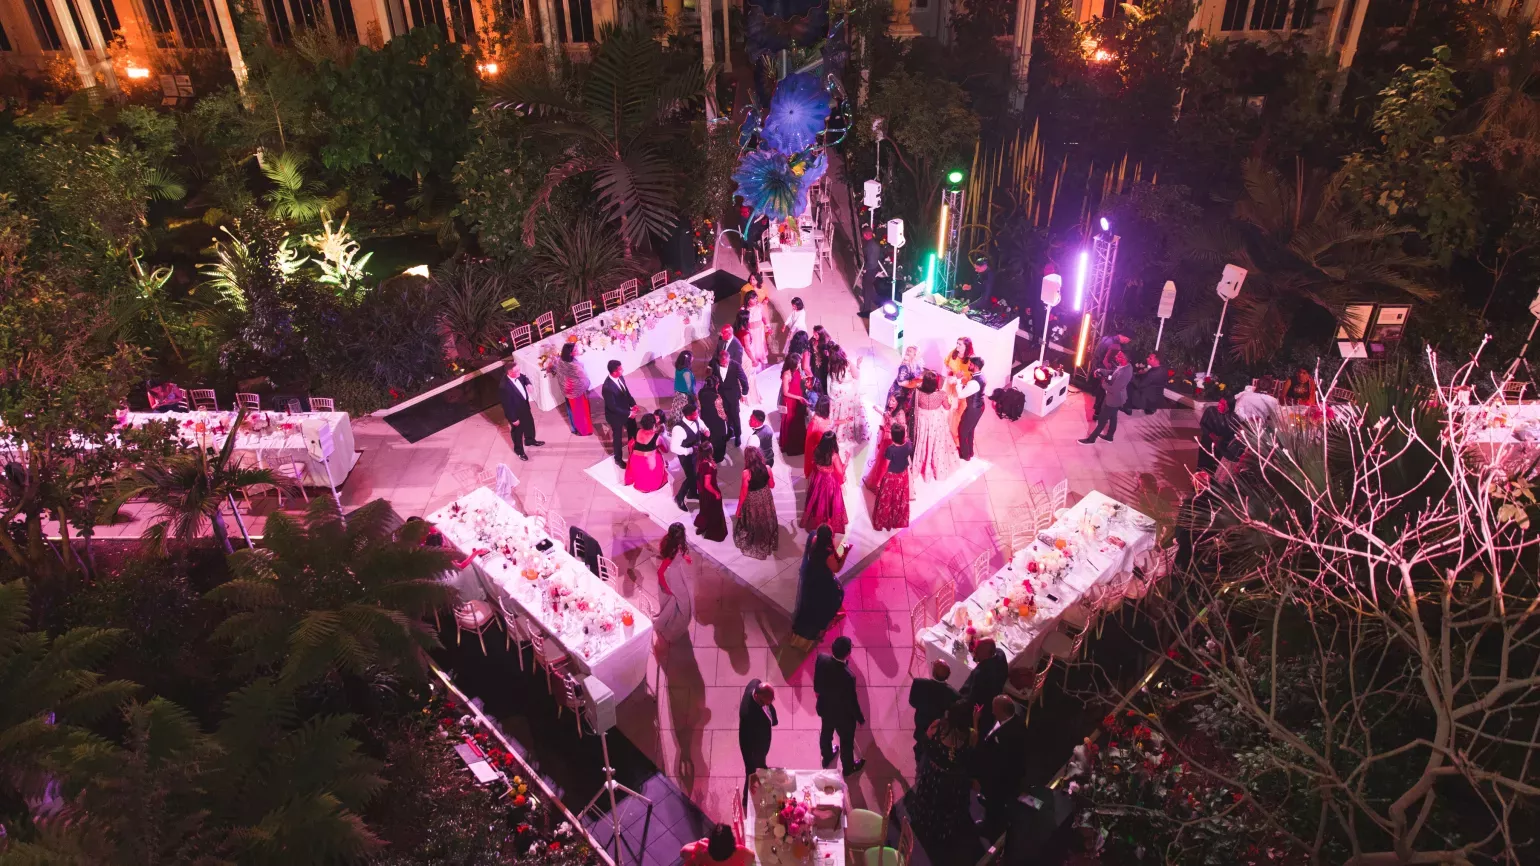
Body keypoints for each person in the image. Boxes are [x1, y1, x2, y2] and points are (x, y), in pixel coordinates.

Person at [909, 701, 979, 858]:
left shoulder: (937, 727)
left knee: (930, 801)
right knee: (949, 806)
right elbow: (971, 756)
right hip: (954, 781)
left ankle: (926, 823)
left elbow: (925, 744)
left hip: (933, 776)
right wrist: (976, 721)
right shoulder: (970, 735)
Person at [974, 694, 1028, 837]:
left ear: (1003, 712)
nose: (992, 712)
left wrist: (985, 782)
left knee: (994, 805)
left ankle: (989, 828)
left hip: (1001, 780)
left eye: (994, 710)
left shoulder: (1005, 737)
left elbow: (997, 764)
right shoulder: (1016, 719)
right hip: (1010, 774)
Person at [814, 636, 866, 774]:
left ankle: (827, 757)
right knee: (846, 742)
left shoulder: (822, 659)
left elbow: (817, 686)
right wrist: (859, 717)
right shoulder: (849, 677)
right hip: (843, 717)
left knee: (826, 732)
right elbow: (852, 700)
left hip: (825, 708)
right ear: (848, 653)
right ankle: (848, 768)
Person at [791, 525, 849, 643]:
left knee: (811, 603)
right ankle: (821, 628)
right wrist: (844, 554)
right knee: (832, 598)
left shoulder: (814, 540)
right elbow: (836, 568)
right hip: (822, 582)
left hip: (811, 576)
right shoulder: (827, 554)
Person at [912, 371, 961, 483]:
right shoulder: (941, 394)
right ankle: (937, 468)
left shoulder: (917, 392)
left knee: (922, 440)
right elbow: (947, 407)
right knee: (936, 442)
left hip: (922, 419)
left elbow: (912, 405)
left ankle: (920, 464)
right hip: (935, 420)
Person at [732, 446, 779, 560]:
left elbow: (743, 493)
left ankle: (756, 536)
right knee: (766, 516)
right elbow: (772, 485)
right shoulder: (767, 468)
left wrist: (738, 509)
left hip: (752, 499)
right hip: (765, 496)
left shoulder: (746, 473)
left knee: (754, 518)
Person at [909, 660, 960, 760]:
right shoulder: (953, 694)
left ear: (933, 672)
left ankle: (920, 758)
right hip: (938, 729)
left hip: (921, 721)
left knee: (920, 744)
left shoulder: (919, 683)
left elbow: (912, 702)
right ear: (948, 675)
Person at [1080, 351, 1132, 444]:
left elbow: (1113, 389)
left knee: (1102, 420)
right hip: (1117, 398)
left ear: (1124, 359)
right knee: (1113, 417)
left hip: (1113, 399)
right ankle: (1109, 436)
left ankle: (1091, 439)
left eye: (1119, 356)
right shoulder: (1126, 366)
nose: (1116, 356)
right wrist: (1101, 370)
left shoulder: (1124, 373)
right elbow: (1113, 373)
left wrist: (1102, 381)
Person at [802, 432, 849, 535]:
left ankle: (817, 522)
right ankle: (829, 523)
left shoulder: (816, 450)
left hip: (818, 479)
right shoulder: (834, 456)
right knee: (831, 502)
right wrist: (847, 461)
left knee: (817, 501)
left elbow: (813, 462)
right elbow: (840, 472)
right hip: (830, 483)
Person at [738, 680, 778, 795]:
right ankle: (746, 798)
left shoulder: (755, 683)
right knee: (750, 772)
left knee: (760, 763)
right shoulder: (748, 714)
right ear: (756, 696)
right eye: (764, 703)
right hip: (750, 746)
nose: (767, 705)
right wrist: (757, 754)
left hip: (759, 741)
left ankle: (762, 766)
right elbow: (749, 740)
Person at [872, 424, 915, 530]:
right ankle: (897, 520)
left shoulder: (891, 449)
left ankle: (884, 522)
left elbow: (885, 467)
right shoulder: (909, 444)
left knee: (886, 500)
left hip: (891, 477)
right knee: (899, 498)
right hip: (903, 476)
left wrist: (878, 481)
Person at [499, 360, 545, 461]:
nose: (520, 372)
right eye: (517, 371)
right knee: (517, 433)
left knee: (529, 424)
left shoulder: (518, 375)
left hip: (524, 406)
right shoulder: (504, 387)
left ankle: (530, 440)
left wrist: (528, 384)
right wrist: (513, 419)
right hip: (516, 413)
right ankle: (519, 451)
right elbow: (507, 405)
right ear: (510, 373)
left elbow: (524, 377)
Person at [548, 343, 593, 436]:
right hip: (577, 391)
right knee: (580, 412)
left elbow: (559, 372)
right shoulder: (574, 366)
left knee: (573, 410)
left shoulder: (561, 361)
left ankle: (576, 428)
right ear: (570, 353)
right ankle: (584, 430)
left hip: (568, 390)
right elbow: (584, 379)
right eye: (575, 350)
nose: (577, 350)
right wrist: (586, 384)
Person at [827, 348, 869, 447]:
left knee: (839, 414)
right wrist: (858, 365)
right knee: (849, 412)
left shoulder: (830, 365)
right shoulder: (848, 364)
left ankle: (838, 434)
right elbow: (857, 376)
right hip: (848, 395)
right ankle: (849, 434)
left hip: (836, 394)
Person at [601, 360, 639, 469]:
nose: (622, 370)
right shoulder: (607, 387)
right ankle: (618, 459)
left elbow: (626, 393)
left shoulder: (621, 378)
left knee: (633, 430)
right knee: (617, 438)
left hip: (626, 410)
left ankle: (633, 450)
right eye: (620, 369)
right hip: (615, 416)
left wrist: (633, 404)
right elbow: (612, 407)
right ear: (614, 372)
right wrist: (629, 413)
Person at [671, 401, 708, 510]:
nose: (698, 415)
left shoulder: (696, 419)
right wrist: (690, 450)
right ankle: (679, 497)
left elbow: (701, 425)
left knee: (697, 473)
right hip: (686, 456)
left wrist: (706, 430)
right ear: (688, 416)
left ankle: (692, 493)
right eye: (696, 414)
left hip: (697, 452)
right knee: (691, 477)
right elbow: (674, 448)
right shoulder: (679, 429)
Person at [712, 350, 750, 447]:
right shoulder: (715, 363)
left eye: (726, 363)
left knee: (735, 416)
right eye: (722, 363)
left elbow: (744, 380)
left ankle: (738, 435)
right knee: (726, 415)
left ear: (729, 358)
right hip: (721, 395)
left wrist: (744, 394)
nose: (724, 365)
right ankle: (730, 431)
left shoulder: (736, 365)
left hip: (733, 395)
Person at [865, 398, 903, 492]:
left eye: (893, 401)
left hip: (891, 439)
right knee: (880, 458)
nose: (890, 402)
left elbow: (902, 428)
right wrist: (878, 409)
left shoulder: (900, 414)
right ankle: (877, 482)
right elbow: (885, 415)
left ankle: (880, 484)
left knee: (885, 462)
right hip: (885, 436)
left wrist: (892, 426)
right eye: (890, 400)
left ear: (898, 403)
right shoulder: (891, 410)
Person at [623, 414, 669, 492]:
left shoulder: (636, 431)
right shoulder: (657, 437)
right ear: (654, 424)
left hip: (635, 462)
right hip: (649, 464)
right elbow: (666, 450)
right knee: (657, 454)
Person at [962, 638, 1009, 709]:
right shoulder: (1000, 653)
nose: (974, 651)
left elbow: (971, 698)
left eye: (977, 650)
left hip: (983, 706)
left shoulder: (980, 673)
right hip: (996, 696)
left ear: (986, 654)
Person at [694, 450, 728, 542]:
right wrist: (716, 493)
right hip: (710, 492)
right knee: (714, 511)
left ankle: (703, 526)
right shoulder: (708, 466)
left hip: (703, 492)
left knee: (704, 509)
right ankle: (715, 532)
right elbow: (707, 484)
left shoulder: (700, 462)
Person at [680, 823, 754, 866]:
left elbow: (683, 852)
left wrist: (700, 843)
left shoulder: (701, 851)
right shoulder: (740, 851)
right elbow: (752, 857)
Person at [956, 357, 986, 460]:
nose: (969, 366)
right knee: (970, 430)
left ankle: (965, 455)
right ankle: (970, 452)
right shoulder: (981, 376)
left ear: (976, 367)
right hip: (979, 406)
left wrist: (958, 380)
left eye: (971, 364)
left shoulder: (974, 382)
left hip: (973, 409)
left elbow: (960, 395)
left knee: (962, 431)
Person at [779, 352, 809, 457]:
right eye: (798, 363)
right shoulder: (786, 374)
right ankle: (790, 446)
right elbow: (785, 392)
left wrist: (806, 379)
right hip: (791, 402)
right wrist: (799, 398)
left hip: (798, 399)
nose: (800, 365)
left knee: (799, 423)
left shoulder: (796, 371)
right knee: (790, 423)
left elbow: (798, 381)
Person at [1198, 395, 1239, 472]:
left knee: (1214, 466)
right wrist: (1211, 435)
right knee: (1202, 462)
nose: (1219, 405)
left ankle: (1211, 480)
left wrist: (1221, 438)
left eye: (1223, 404)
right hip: (1207, 441)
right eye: (1219, 403)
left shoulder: (1234, 418)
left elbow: (1233, 433)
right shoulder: (1210, 410)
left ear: (1229, 407)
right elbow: (1202, 424)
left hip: (1221, 445)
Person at [697, 378, 729, 463]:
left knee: (707, 437)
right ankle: (718, 457)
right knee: (718, 439)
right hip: (717, 422)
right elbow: (721, 413)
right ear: (715, 385)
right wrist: (726, 418)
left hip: (705, 419)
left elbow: (699, 407)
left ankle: (707, 456)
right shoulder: (716, 397)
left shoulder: (700, 392)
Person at [657, 522, 693, 595]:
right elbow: (660, 572)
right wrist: (666, 588)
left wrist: (684, 557)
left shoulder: (674, 544)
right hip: (672, 574)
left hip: (677, 568)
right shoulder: (672, 553)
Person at [888, 345, 924, 416]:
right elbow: (901, 382)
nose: (907, 352)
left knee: (905, 407)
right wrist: (913, 383)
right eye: (907, 350)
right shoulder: (904, 366)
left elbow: (917, 376)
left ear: (915, 354)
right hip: (899, 390)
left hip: (908, 390)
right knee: (897, 408)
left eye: (910, 351)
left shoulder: (915, 365)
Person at [803, 396, 833, 477]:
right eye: (830, 405)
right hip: (819, 455)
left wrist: (844, 421)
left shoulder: (820, 416)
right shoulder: (817, 424)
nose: (832, 407)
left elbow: (830, 422)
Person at [860, 228, 885, 316]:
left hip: (870, 269)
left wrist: (865, 269)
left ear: (865, 235)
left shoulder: (869, 246)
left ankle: (866, 310)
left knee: (868, 288)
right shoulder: (875, 244)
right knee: (867, 286)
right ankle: (877, 300)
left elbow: (869, 261)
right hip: (874, 268)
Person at [744, 292, 770, 372]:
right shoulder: (744, 309)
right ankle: (754, 361)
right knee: (753, 346)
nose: (756, 300)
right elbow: (742, 321)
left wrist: (768, 326)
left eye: (756, 298)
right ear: (748, 300)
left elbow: (764, 318)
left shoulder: (759, 307)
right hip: (750, 331)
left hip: (759, 330)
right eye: (753, 298)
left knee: (760, 344)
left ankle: (762, 359)